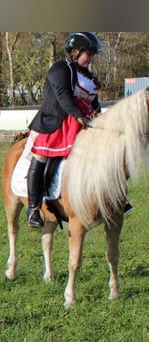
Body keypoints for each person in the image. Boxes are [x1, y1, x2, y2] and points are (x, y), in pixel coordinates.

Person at [25, 32, 132, 227]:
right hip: (57, 122)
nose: (91, 58)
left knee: (107, 154)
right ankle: (33, 208)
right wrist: (78, 115)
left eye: (92, 55)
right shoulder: (60, 70)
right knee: (41, 157)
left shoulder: (88, 76)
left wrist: (102, 118)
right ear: (75, 52)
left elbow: (94, 102)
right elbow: (62, 96)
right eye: (89, 54)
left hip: (84, 122)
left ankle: (114, 197)